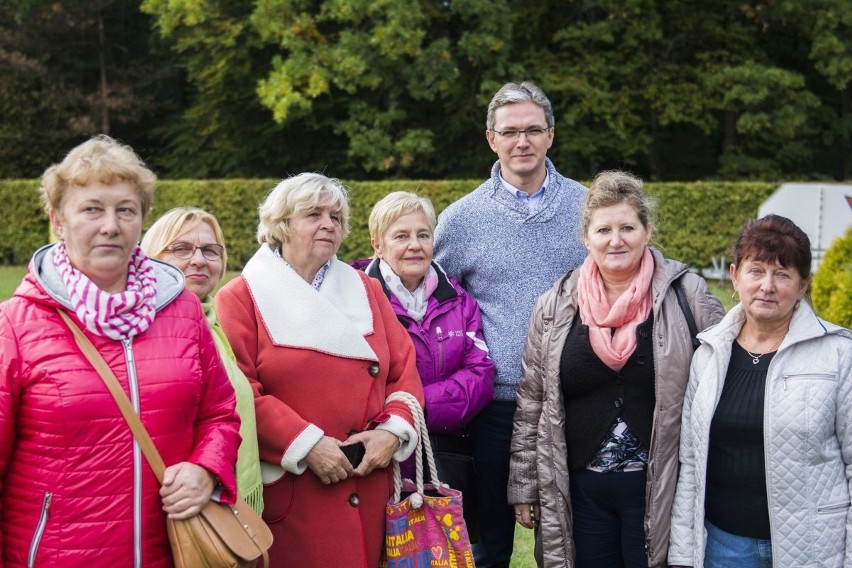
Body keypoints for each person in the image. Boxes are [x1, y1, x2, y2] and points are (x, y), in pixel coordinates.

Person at [0, 135, 240, 567]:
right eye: (92, 208)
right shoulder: (15, 325)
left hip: (169, 553)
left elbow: (220, 412)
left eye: (125, 210)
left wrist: (207, 468)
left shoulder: (182, 309)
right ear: (58, 220)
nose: (110, 224)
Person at [508, 170, 725, 568]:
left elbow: (721, 381)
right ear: (586, 237)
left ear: (647, 230)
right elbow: (532, 401)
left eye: (627, 227)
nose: (615, 240)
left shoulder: (687, 294)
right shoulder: (555, 305)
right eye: (603, 229)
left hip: (663, 490)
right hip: (581, 489)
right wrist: (524, 484)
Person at [214, 173, 425, 567]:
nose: (329, 223)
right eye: (314, 214)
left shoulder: (367, 289)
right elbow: (240, 391)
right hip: (295, 488)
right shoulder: (241, 296)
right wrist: (307, 445)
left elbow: (404, 373)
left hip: (368, 480)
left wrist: (392, 434)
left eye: (336, 216)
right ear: (281, 225)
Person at [433, 80, 588, 567]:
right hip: (496, 405)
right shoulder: (461, 220)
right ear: (491, 139)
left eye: (533, 130)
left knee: (581, 530)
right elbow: (433, 301)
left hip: (579, 396)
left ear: (550, 135)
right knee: (490, 540)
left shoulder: (589, 210)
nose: (522, 142)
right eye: (510, 132)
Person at [669, 214, 852, 568]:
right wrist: (682, 553)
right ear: (735, 277)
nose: (767, 285)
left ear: (802, 286)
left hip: (813, 552)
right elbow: (690, 464)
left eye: (782, 274)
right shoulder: (708, 355)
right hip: (723, 548)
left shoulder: (839, 356)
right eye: (756, 271)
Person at [359, 191, 495, 539]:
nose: (414, 245)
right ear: (377, 244)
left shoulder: (460, 301)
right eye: (401, 236)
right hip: (378, 460)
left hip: (444, 457)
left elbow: (479, 375)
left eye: (423, 234)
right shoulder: (355, 297)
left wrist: (412, 409)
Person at [141, 207, 264, 514]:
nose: (198, 260)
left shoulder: (217, 326)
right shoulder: (143, 327)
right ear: (150, 257)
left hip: (215, 491)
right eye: (181, 249)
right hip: (170, 500)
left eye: (210, 250)